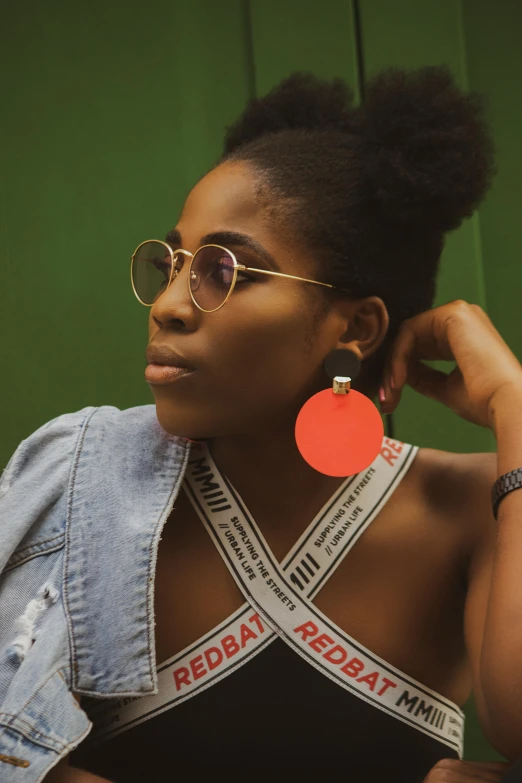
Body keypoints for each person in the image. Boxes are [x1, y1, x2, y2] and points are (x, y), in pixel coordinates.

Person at [1, 66, 520, 782]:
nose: (170, 305)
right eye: (175, 264)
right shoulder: (84, 486)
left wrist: (515, 406)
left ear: (356, 327)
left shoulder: (470, 507)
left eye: (225, 272)